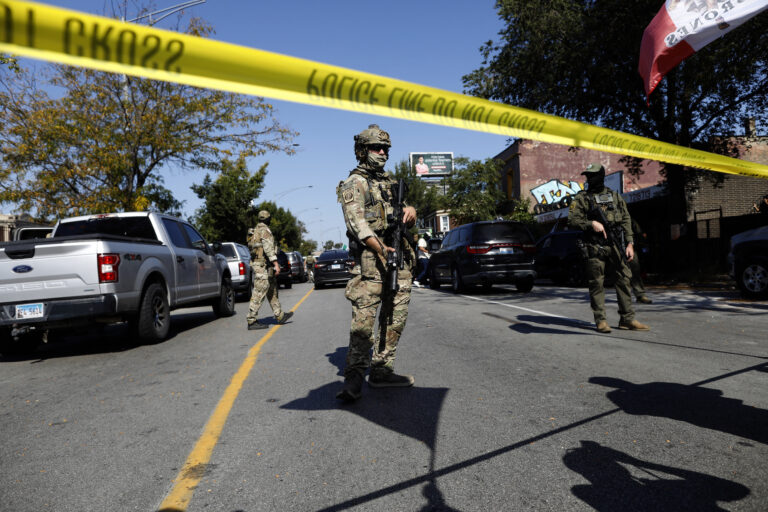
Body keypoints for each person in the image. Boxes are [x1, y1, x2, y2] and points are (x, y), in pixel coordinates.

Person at [335, 124, 417, 401]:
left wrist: (411, 211)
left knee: (395, 318)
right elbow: (357, 224)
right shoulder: (354, 183)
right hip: (372, 259)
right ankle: (354, 378)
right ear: (362, 150)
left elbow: (400, 210)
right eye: (375, 148)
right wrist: (381, 248)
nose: (382, 152)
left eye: (385, 149)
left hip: (398, 256)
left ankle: (382, 369)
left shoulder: (390, 183)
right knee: (364, 322)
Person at [567, 163, 650, 333]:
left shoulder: (614, 196)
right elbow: (572, 221)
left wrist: (629, 243)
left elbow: (626, 220)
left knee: (624, 280)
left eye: (593, 175)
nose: (590, 179)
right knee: (597, 283)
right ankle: (601, 321)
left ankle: (627, 319)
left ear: (601, 176)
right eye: (587, 176)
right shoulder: (582, 198)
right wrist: (591, 223)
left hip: (615, 244)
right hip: (595, 246)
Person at [246, 210, 293, 330]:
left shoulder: (255, 230)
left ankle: (279, 315)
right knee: (259, 291)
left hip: (262, 264)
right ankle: (251, 320)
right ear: (267, 219)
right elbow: (268, 248)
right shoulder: (265, 230)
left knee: (272, 289)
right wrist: (276, 264)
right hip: (262, 265)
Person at [629, 218, 652, 304]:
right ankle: (624, 298)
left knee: (635, 270)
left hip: (630, 246)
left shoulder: (630, 219)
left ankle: (640, 295)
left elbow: (638, 232)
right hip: (614, 247)